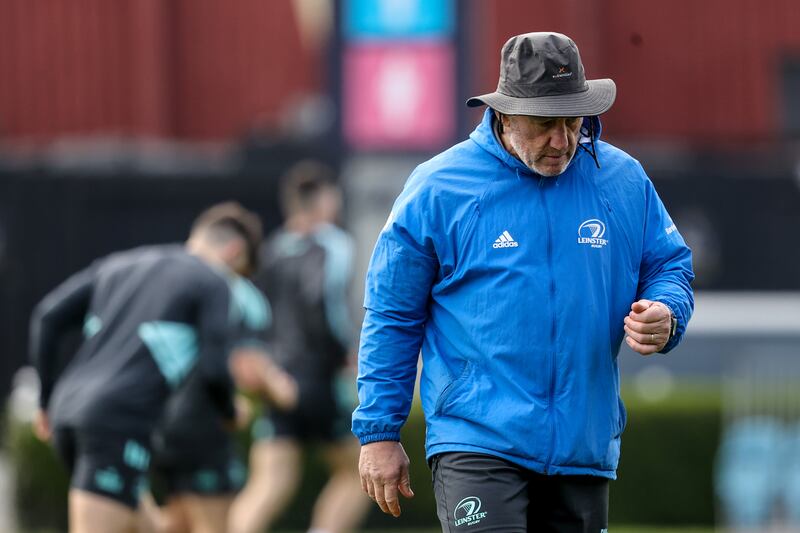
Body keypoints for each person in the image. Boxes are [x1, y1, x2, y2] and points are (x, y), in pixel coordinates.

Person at [353, 32, 695, 532]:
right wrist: (379, 432)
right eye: (544, 124)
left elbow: (670, 267)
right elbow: (392, 315)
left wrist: (668, 313)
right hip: (476, 441)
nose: (562, 141)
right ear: (505, 115)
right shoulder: (437, 188)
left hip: (583, 444)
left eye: (572, 121)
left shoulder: (624, 180)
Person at [29, 202, 263, 533]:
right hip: (117, 422)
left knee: (145, 523)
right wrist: (228, 412)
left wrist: (44, 401)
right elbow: (214, 369)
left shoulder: (120, 263)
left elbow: (47, 318)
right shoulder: (213, 281)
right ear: (234, 251)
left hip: (67, 410)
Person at [228, 161, 369, 533]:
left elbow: (254, 313)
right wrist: (348, 353)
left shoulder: (272, 249)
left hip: (278, 378)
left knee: (271, 481)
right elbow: (325, 304)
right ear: (323, 199)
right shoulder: (333, 244)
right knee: (358, 471)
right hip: (318, 376)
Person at [142, 271, 298, 533]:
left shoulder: (167, 284)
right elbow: (246, 366)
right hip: (201, 424)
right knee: (213, 526)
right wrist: (279, 392)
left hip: (158, 419)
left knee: (176, 521)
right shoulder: (238, 293)